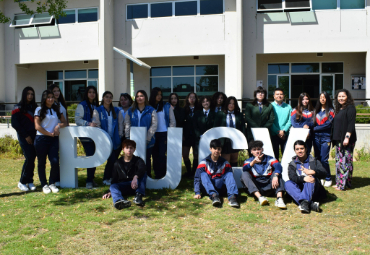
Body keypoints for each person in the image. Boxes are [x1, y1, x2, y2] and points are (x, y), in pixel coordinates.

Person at [34, 90, 68, 194]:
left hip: (53, 139)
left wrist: (58, 126)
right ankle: (44, 184)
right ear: (44, 99)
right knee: (42, 163)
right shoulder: (39, 110)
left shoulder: (56, 109)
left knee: (54, 161)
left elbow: (64, 122)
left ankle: (52, 183)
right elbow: (37, 126)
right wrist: (48, 133)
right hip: (41, 139)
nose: (51, 99)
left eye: (52, 97)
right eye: (48, 97)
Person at [102, 140, 147, 209]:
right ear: (123, 149)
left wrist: (135, 177)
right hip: (124, 186)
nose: (129, 150)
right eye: (127, 148)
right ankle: (119, 201)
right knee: (113, 186)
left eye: (131, 148)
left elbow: (142, 169)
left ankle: (138, 197)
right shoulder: (117, 163)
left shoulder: (138, 160)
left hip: (136, 186)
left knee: (143, 174)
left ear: (134, 149)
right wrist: (109, 191)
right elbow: (114, 179)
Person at [193, 139, 239, 207]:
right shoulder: (203, 163)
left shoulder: (225, 163)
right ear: (210, 149)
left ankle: (232, 198)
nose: (217, 151)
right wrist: (197, 192)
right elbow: (197, 178)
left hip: (221, 187)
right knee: (203, 174)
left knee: (229, 174)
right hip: (208, 188)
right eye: (214, 148)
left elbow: (230, 179)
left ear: (221, 150)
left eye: (219, 149)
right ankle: (214, 196)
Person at [241, 140, 286, 208]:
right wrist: (253, 163)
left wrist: (276, 175)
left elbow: (278, 166)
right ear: (251, 151)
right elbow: (244, 168)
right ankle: (260, 198)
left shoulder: (269, 158)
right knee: (244, 174)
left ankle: (279, 199)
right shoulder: (249, 160)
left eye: (259, 149)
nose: (257, 151)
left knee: (277, 173)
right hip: (256, 187)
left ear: (262, 149)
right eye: (254, 150)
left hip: (269, 185)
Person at [285, 140, 327, 213]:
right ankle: (308, 204)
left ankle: (304, 202)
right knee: (287, 183)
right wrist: (304, 178)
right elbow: (292, 177)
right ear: (295, 151)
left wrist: (314, 172)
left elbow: (324, 173)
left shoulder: (314, 160)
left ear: (306, 149)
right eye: (297, 149)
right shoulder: (292, 164)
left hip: (313, 188)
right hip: (299, 189)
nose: (300, 151)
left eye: (302, 148)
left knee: (311, 178)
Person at [125, 90, 158, 178]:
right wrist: (128, 137)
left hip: (148, 140)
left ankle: (147, 177)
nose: (139, 98)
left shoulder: (151, 110)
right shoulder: (130, 110)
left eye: (142, 96)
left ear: (145, 98)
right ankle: (133, 178)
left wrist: (148, 138)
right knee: (133, 159)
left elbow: (154, 124)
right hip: (134, 140)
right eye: (138, 96)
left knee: (146, 159)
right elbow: (127, 124)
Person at [92, 91, 123, 186]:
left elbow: (120, 124)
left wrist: (120, 135)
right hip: (104, 139)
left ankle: (109, 178)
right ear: (103, 98)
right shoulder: (98, 110)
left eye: (110, 97)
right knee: (111, 159)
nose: (108, 99)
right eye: (106, 97)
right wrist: (102, 137)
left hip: (115, 139)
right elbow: (97, 124)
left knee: (113, 160)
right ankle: (106, 178)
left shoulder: (117, 110)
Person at [11, 87, 38, 192]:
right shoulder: (17, 107)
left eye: (32, 94)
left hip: (34, 136)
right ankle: (22, 182)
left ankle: (30, 181)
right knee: (29, 157)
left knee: (32, 158)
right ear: (24, 94)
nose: (30, 96)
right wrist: (26, 136)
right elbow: (15, 124)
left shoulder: (35, 107)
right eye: (28, 94)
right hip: (24, 136)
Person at [75, 85, 100, 189]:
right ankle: (88, 181)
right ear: (86, 93)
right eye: (90, 92)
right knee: (90, 156)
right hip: (86, 136)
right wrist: (88, 123)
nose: (92, 94)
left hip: (95, 135)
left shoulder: (96, 105)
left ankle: (91, 179)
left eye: (93, 92)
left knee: (94, 157)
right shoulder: (82, 105)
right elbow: (77, 120)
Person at [332, 89, 357, 191]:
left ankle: (343, 185)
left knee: (345, 162)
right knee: (339, 161)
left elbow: (351, 124)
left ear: (348, 97)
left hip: (346, 140)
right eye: (339, 96)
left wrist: (347, 137)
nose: (341, 98)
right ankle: (340, 182)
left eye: (343, 96)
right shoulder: (340, 109)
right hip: (338, 140)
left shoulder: (350, 108)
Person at [149, 87, 176, 179]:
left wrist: (170, 133)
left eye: (160, 94)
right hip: (152, 134)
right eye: (157, 94)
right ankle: (157, 174)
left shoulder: (166, 106)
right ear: (153, 95)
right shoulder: (149, 106)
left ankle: (163, 174)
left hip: (163, 133)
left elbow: (172, 121)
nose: (159, 96)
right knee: (154, 155)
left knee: (161, 154)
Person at [213, 96, 245, 167]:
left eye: (233, 104)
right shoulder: (220, 114)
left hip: (235, 140)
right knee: (226, 159)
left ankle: (234, 175)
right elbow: (216, 127)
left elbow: (242, 128)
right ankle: (225, 175)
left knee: (234, 159)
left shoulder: (239, 115)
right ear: (226, 104)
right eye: (229, 103)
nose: (231, 105)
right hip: (225, 140)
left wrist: (243, 140)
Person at [313, 92, 335, 187]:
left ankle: (328, 178)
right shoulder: (316, 111)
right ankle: (320, 177)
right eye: (321, 97)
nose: (322, 99)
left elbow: (328, 124)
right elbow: (312, 123)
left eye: (324, 97)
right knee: (317, 158)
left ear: (327, 99)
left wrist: (314, 129)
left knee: (324, 159)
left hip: (326, 137)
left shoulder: (331, 111)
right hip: (316, 137)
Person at [270, 88, 292, 159]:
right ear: (274, 96)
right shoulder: (270, 106)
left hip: (285, 134)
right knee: (274, 156)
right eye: (277, 94)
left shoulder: (288, 107)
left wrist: (284, 130)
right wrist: (278, 132)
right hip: (273, 134)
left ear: (284, 96)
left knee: (286, 156)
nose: (279, 96)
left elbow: (290, 120)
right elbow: (269, 120)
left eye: (281, 94)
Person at [182, 92, 200, 178]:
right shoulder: (184, 109)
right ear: (188, 99)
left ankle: (194, 172)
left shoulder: (199, 109)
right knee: (185, 154)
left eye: (194, 97)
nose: (192, 99)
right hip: (186, 135)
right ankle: (188, 171)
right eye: (190, 97)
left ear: (196, 99)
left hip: (196, 136)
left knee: (196, 155)